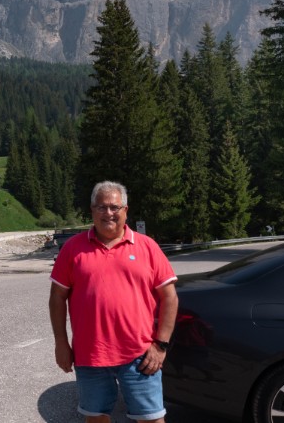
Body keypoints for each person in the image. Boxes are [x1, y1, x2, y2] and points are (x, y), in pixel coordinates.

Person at [49, 181, 178, 423]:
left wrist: (161, 345)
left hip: (140, 355)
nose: (108, 213)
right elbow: (57, 297)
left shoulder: (147, 246)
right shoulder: (73, 248)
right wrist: (61, 343)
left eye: (114, 207)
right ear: (92, 210)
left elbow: (170, 296)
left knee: (151, 419)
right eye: (101, 207)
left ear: (125, 210)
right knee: (96, 419)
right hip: (90, 355)